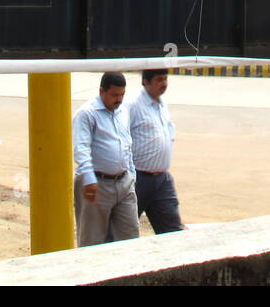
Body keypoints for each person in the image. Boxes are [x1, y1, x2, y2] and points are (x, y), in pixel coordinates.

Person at [72, 72, 138, 246]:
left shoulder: (123, 111)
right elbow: (81, 148)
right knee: (92, 241)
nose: (119, 99)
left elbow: (127, 143)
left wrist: (131, 174)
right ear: (102, 91)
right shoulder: (87, 114)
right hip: (96, 186)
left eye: (122, 95)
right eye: (114, 95)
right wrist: (89, 179)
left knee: (130, 238)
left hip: (124, 183)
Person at [127, 68, 185, 233]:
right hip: (138, 180)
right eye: (159, 80)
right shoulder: (132, 105)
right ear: (146, 81)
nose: (164, 84)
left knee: (173, 232)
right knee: (126, 232)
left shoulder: (162, 103)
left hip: (162, 180)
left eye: (165, 79)